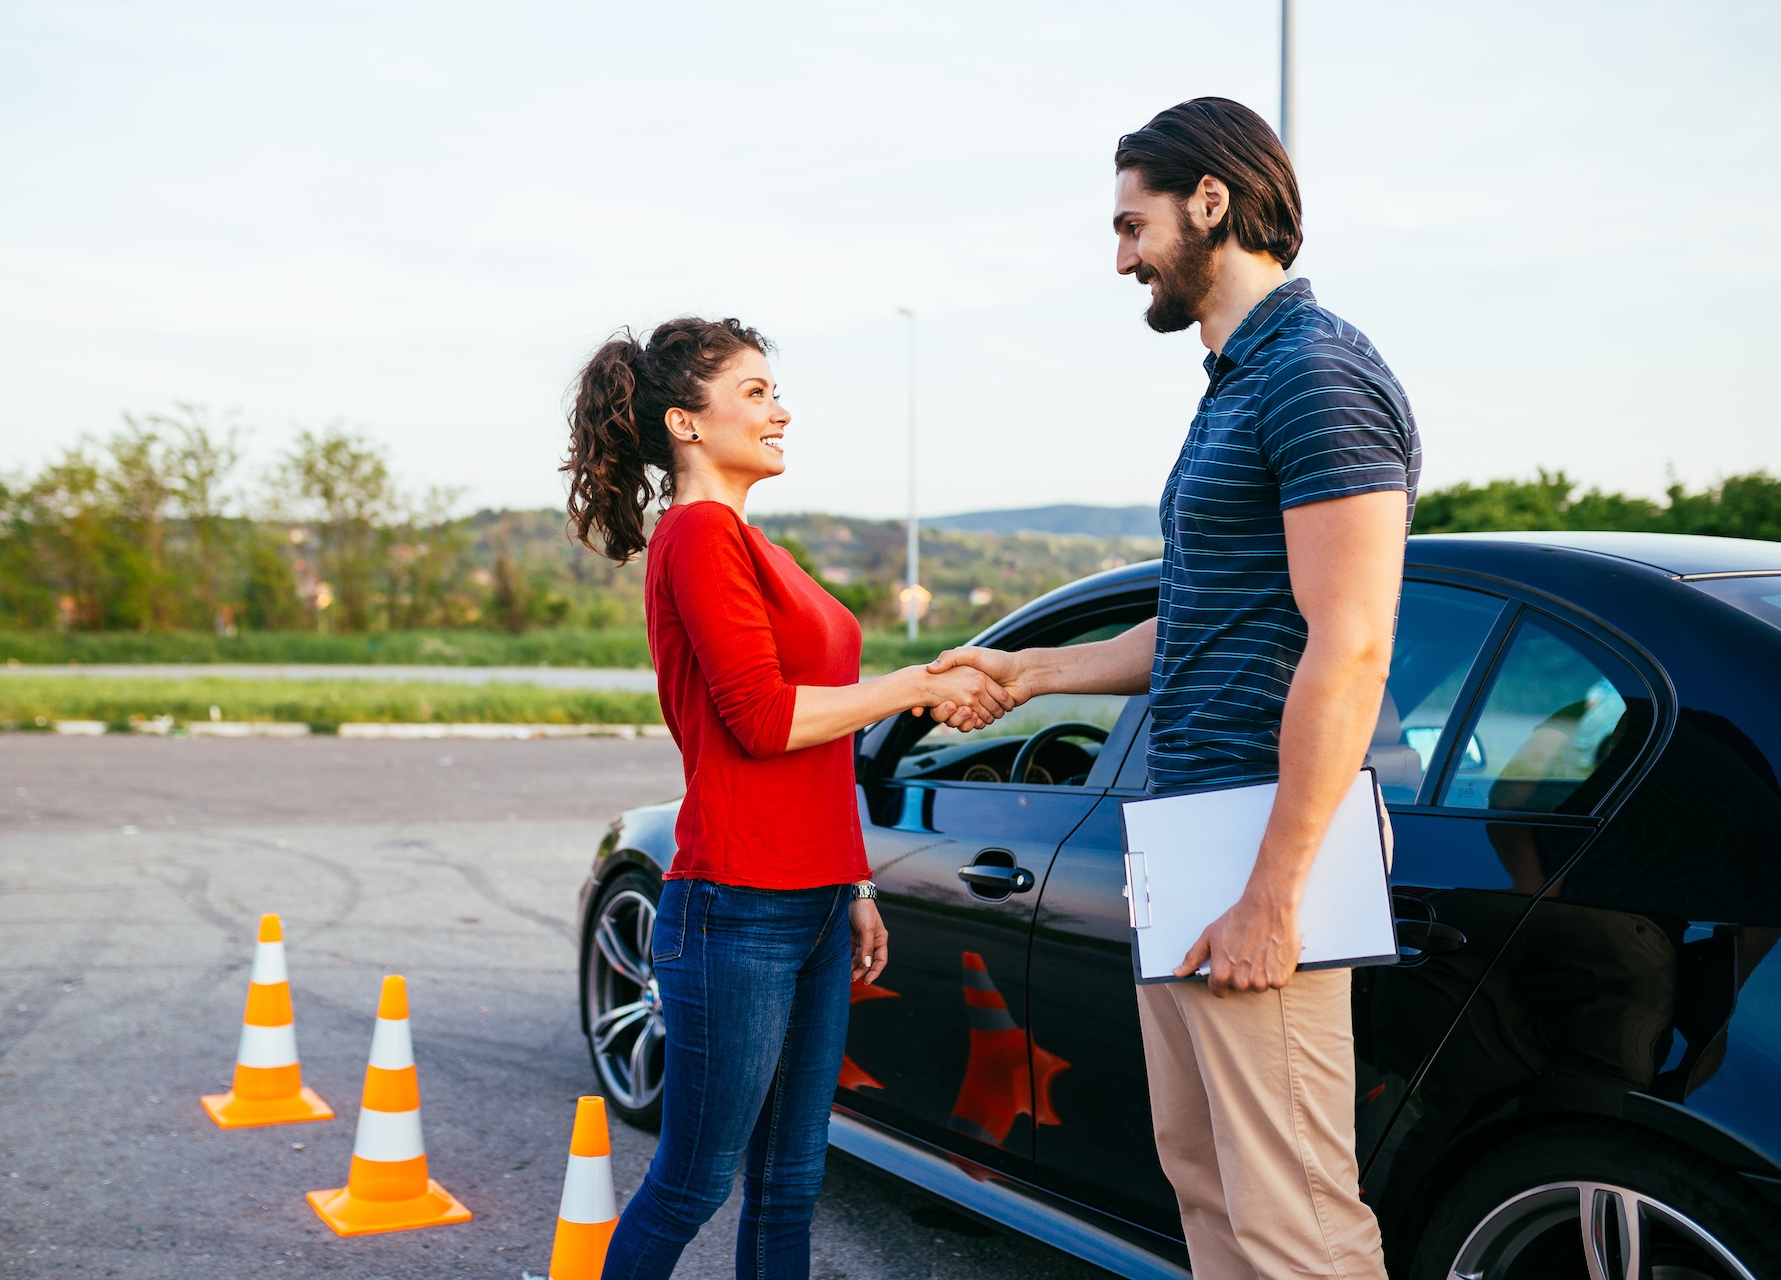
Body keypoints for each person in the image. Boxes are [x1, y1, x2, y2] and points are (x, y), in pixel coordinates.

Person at [931, 99, 1419, 1279]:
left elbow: (1350, 643)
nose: (1120, 259)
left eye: (1129, 223)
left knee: (1296, 1210)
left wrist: (1274, 890)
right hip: (1192, 821)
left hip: (1262, 828)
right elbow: (1206, 617)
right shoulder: (1234, 384)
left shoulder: (1315, 372)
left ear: (1212, 200)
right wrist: (1035, 669)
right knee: (1205, 1177)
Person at [562, 316, 1012, 1280]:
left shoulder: (748, 543)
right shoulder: (697, 536)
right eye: (757, 393)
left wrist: (852, 881)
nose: (782, 410)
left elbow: (822, 743)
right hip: (736, 904)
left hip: (806, 899)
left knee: (789, 1183)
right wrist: (923, 683)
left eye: (776, 392)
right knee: (693, 1181)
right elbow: (765, 719)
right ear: (687, 421)